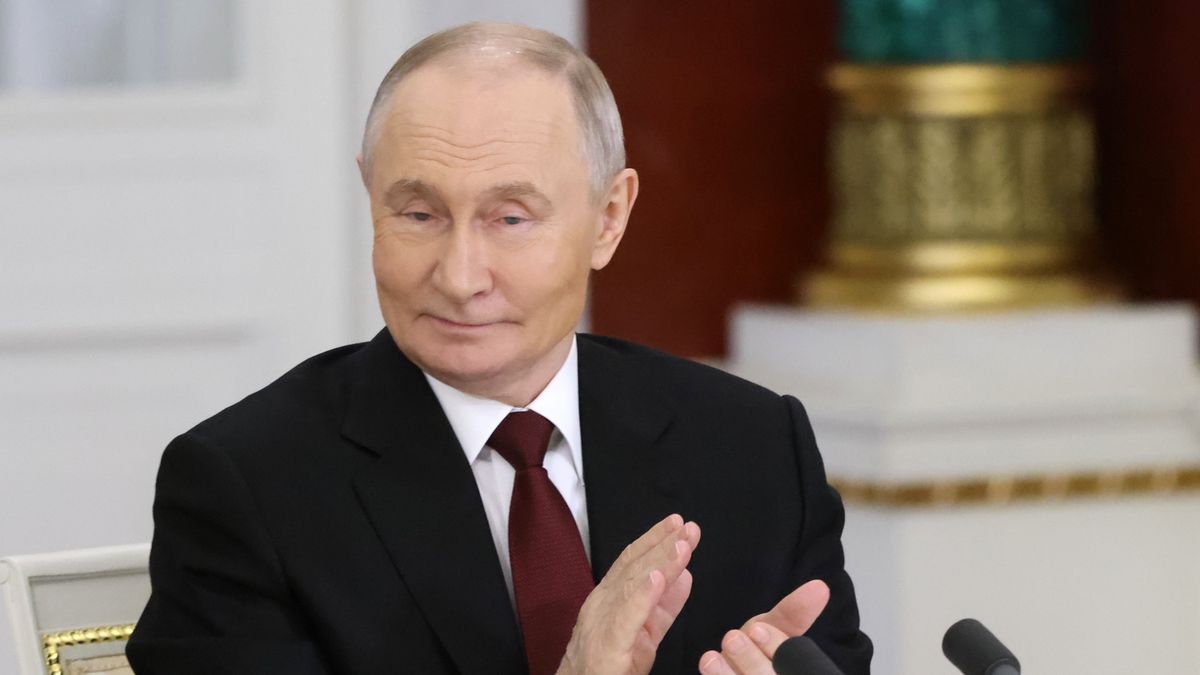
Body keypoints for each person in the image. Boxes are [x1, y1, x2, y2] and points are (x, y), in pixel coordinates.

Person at [126, 22, 872, 675]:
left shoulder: (754, 448)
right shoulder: (245, 487)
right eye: (418, 213)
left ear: (608, 218)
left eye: (509, 219)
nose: (458, 277)